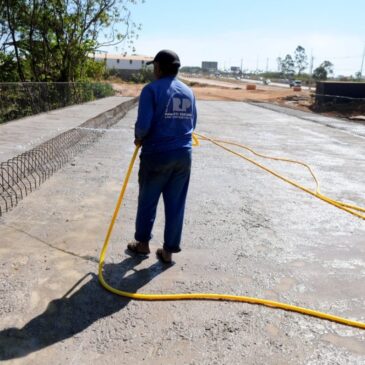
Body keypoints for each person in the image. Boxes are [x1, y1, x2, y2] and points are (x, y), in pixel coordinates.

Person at [127, 50, 197, 263]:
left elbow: (144, 124)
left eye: (154, 66)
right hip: (183, 155)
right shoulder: (188, 91)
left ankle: (143, 244)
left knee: (148, 200)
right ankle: (168, 251)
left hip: (157, 154)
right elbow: (193, 123)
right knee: (176, 203)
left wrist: (139, 137)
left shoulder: (151, 90)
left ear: (158, 67)